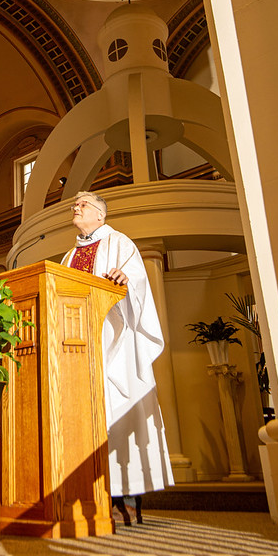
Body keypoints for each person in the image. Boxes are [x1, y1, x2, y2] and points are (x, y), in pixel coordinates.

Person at [61, 191, 173, 503]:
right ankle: (84, 484)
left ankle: (123, 488)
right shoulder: (68, 257)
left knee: (114, 407)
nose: (76, 207)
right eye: (76, 204)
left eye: (82, 204)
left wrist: (125, 279)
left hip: (113, 339)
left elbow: (136, 279)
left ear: (100, 214)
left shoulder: (119, 242)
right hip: (78, 345)